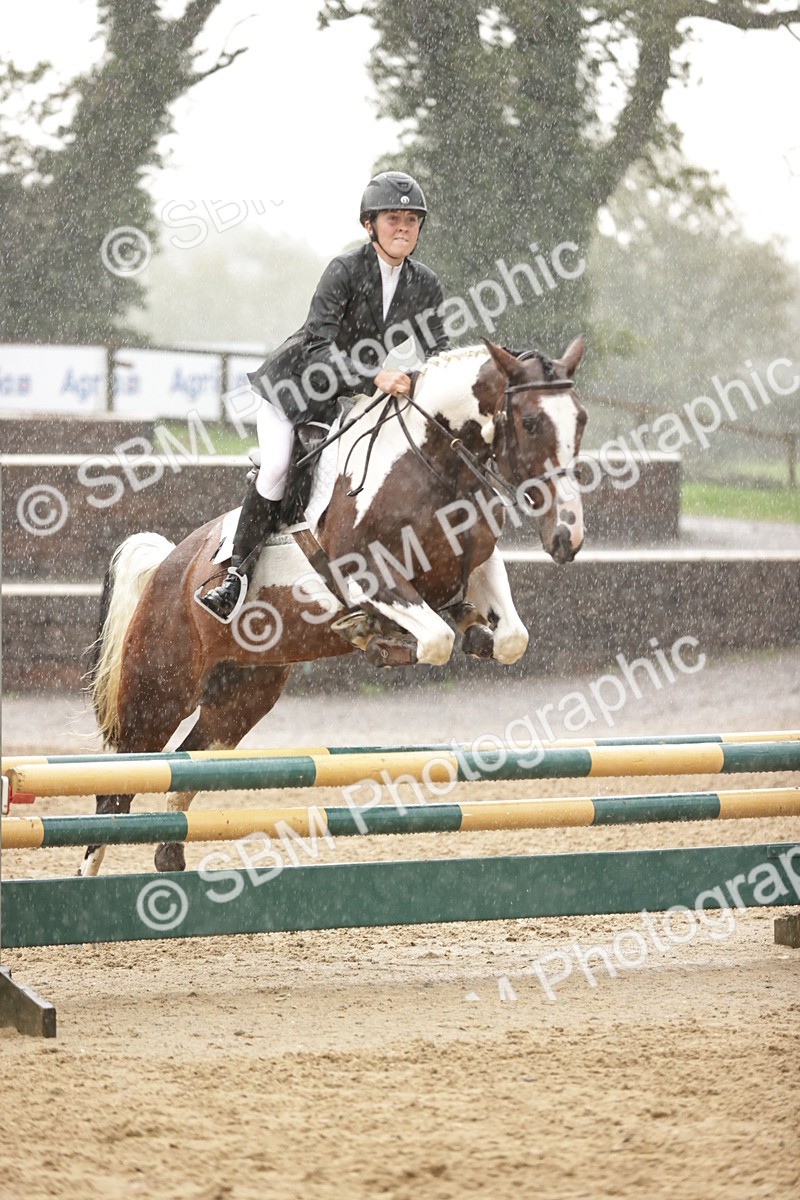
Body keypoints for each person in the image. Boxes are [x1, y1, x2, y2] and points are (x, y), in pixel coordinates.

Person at [197, 170, 450, 623]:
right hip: (292, 391)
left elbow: (440, 350)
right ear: (369, 225)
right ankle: (235, 575)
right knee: (277, 468)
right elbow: (319, 348)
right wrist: (376, 377)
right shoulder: (345, 270)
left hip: (339, 398)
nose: (404, 228)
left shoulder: (424, 283)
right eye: (393, 218)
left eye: (412, 220)